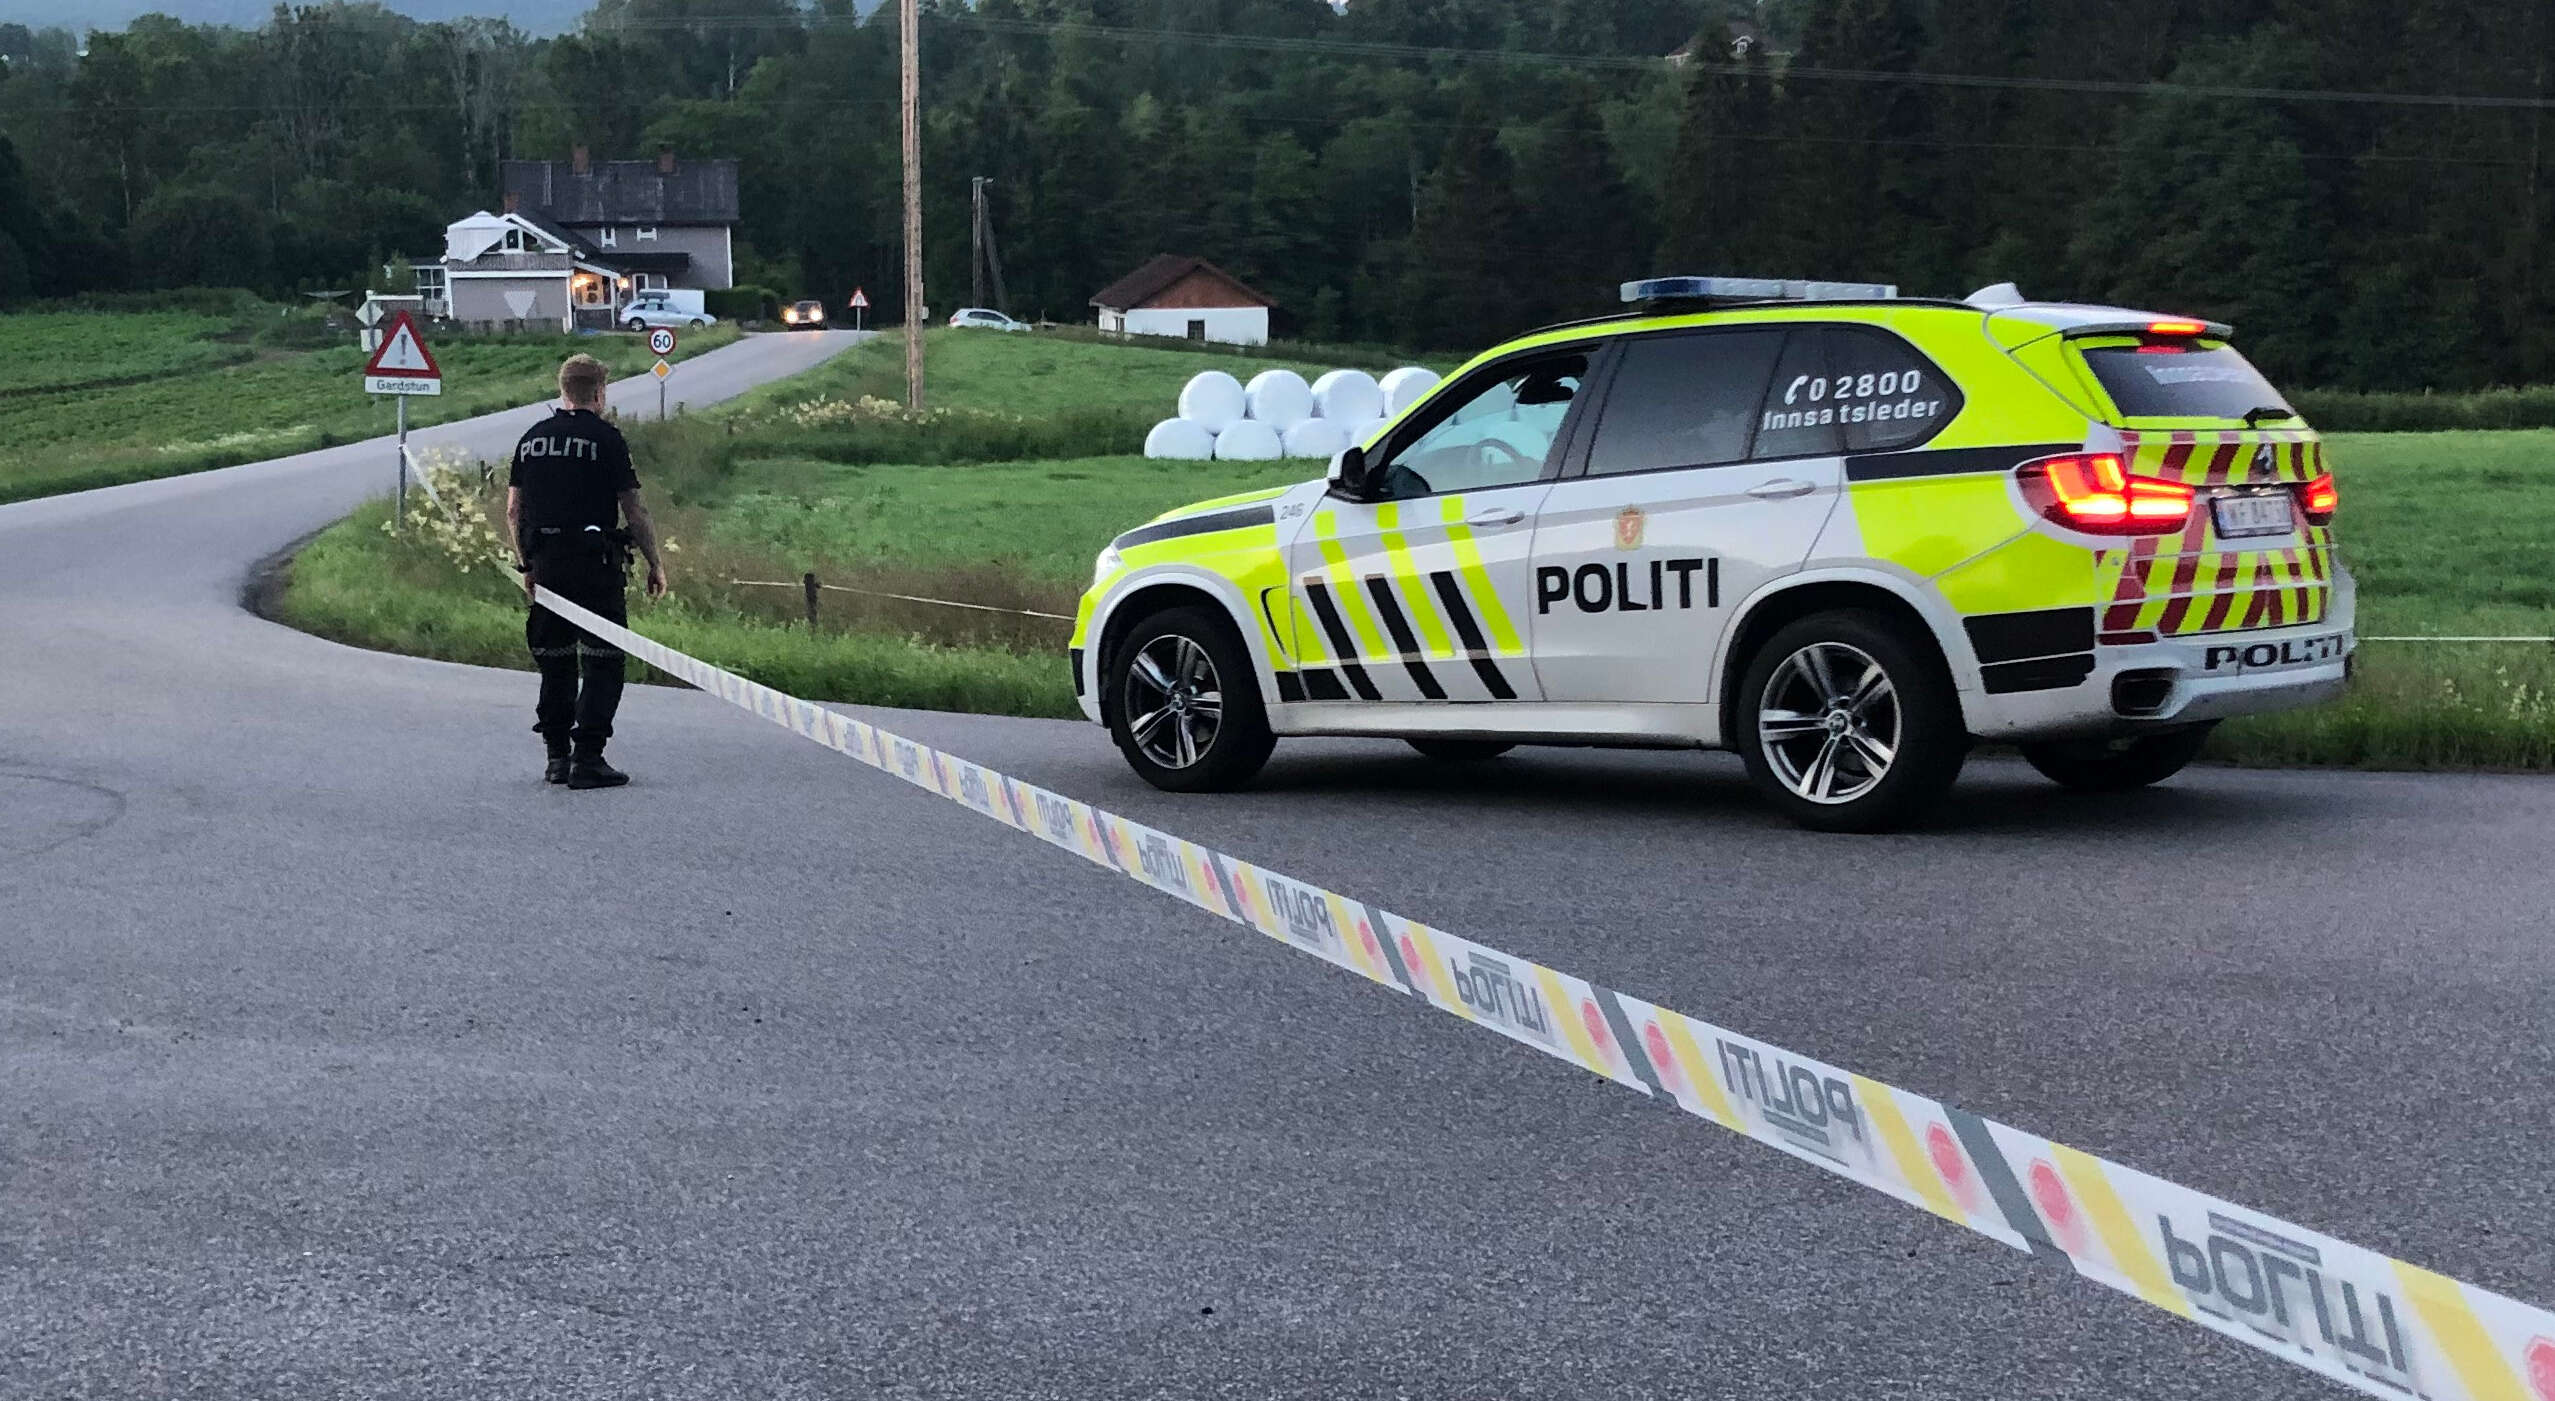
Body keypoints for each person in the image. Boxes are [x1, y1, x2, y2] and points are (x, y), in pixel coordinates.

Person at [506, 353, 668, 789]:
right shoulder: (606, 438)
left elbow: (514, 510)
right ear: (599, 393)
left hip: (547, 566)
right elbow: (634, 509)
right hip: (595, 567)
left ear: (563, 390)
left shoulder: (532, 438)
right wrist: (655, 562)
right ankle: (589, 758)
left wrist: (526, 564)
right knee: (603, 660)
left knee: (555, 661)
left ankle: (557, 757)